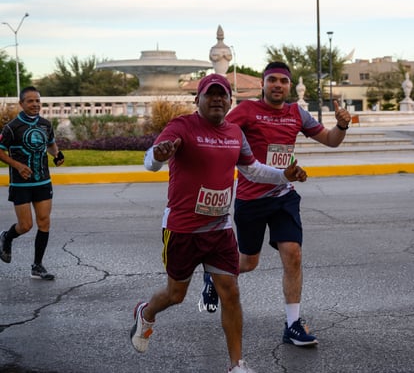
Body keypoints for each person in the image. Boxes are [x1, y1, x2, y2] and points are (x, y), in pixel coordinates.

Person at [130, 73, 307, 373]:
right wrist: (156, 158)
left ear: (229, 101)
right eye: (209, 94)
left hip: (220, 229)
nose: (216, 99)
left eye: (222, 95)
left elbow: (252, 170)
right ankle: (145, 312)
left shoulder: (235, 134)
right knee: (176, 294)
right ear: (197, 99)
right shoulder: (181, 126)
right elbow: (152, 159)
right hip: (182, 229)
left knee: (231, 293)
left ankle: (237, 365)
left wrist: (282, 176)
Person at [202, 62, 351, 346]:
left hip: (283, 196)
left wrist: (342, 125)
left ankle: (293, 324)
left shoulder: (297, 113)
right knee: (247, 262)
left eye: (283, 80)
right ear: (263, 84)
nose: (278, 85)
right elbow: (221, 134)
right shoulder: (246, 111)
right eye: (272, 80)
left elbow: (331, 141)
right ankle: (212, 274)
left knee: (293, 254)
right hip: (251, 198)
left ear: (290, 85)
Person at [0, 86, 65, 280]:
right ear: (21, 104)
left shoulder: (46, 124)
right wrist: (17, 165)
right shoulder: (12, 127)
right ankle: (7, 237)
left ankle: (37, 266)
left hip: (43, 181)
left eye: (37, 100)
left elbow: (51, 144)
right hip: (21, 184)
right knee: (26, 225)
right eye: (30, 101)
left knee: (44, 222)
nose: (35, 104)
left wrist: (57, 154)